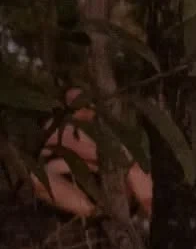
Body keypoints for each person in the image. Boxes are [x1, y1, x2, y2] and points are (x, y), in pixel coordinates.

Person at [31, 88, 152, 220]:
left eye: (85, 102)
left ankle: (150, 212)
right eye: (74, 103)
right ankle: (95, 213)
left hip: (110, 180)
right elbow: (79, 150)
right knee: (37, 180)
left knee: (133, 169)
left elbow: (126, 160)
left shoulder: (106, 128)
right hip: (73, 182)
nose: (82, 107)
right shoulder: (59, 126)